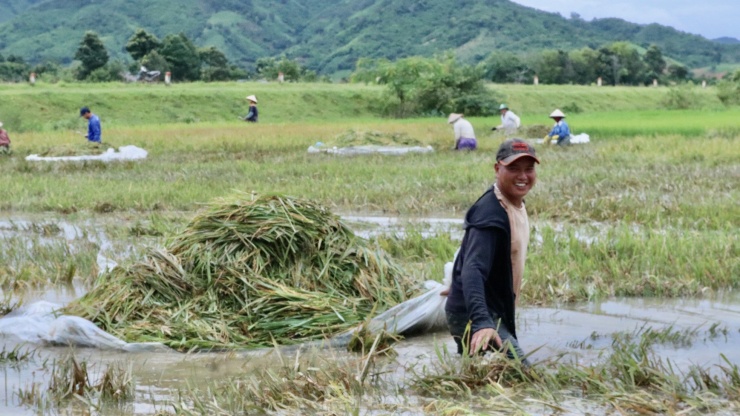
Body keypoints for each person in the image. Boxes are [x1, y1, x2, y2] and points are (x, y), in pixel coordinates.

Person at [443, 138, 539, 364]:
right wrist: (482, 322)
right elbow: (474, 267)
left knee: (476, 374)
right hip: (477, 314)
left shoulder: (510, 201)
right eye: (513, 168)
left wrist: (454, 280)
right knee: (523, 375)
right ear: (498, 169)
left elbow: (468, 250)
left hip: (488, 308)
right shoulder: (491, 214)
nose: (523, 176)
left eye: (529, 169)